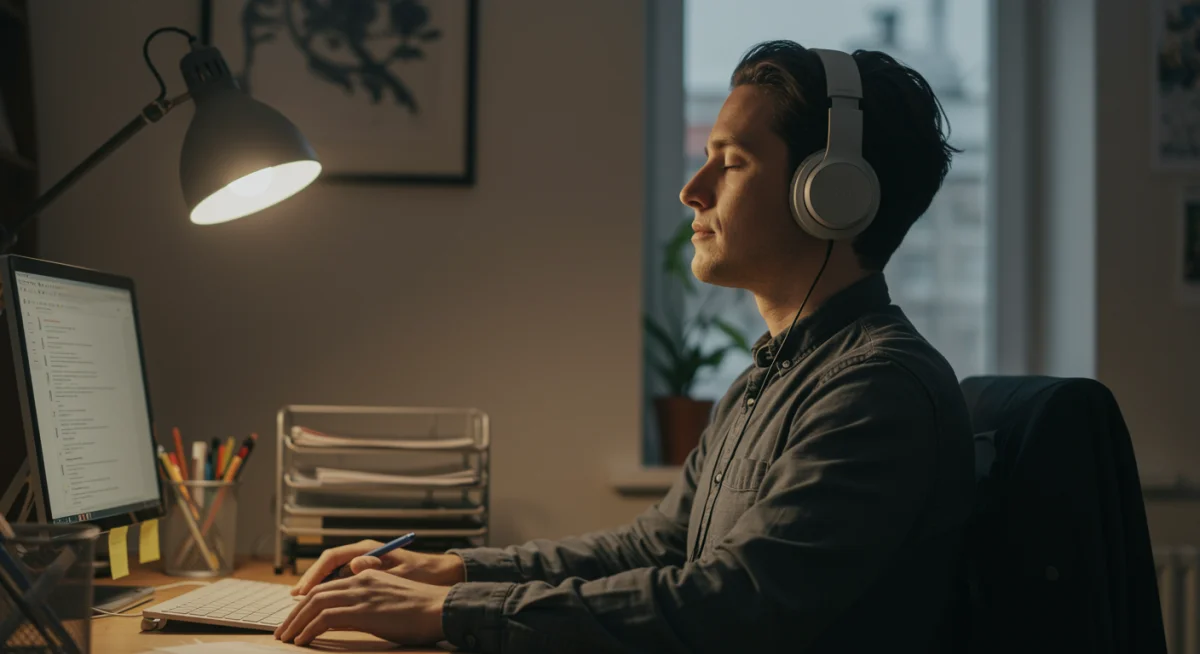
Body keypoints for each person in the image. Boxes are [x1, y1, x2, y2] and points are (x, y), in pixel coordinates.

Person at [274, 40, 975, 653]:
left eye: (730, 164)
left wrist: (453, 614)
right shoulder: (775, 374)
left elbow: (734, 605)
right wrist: (454, 572)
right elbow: (652, 551)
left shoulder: (876, 390)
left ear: (831, 194)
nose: (691, 190)